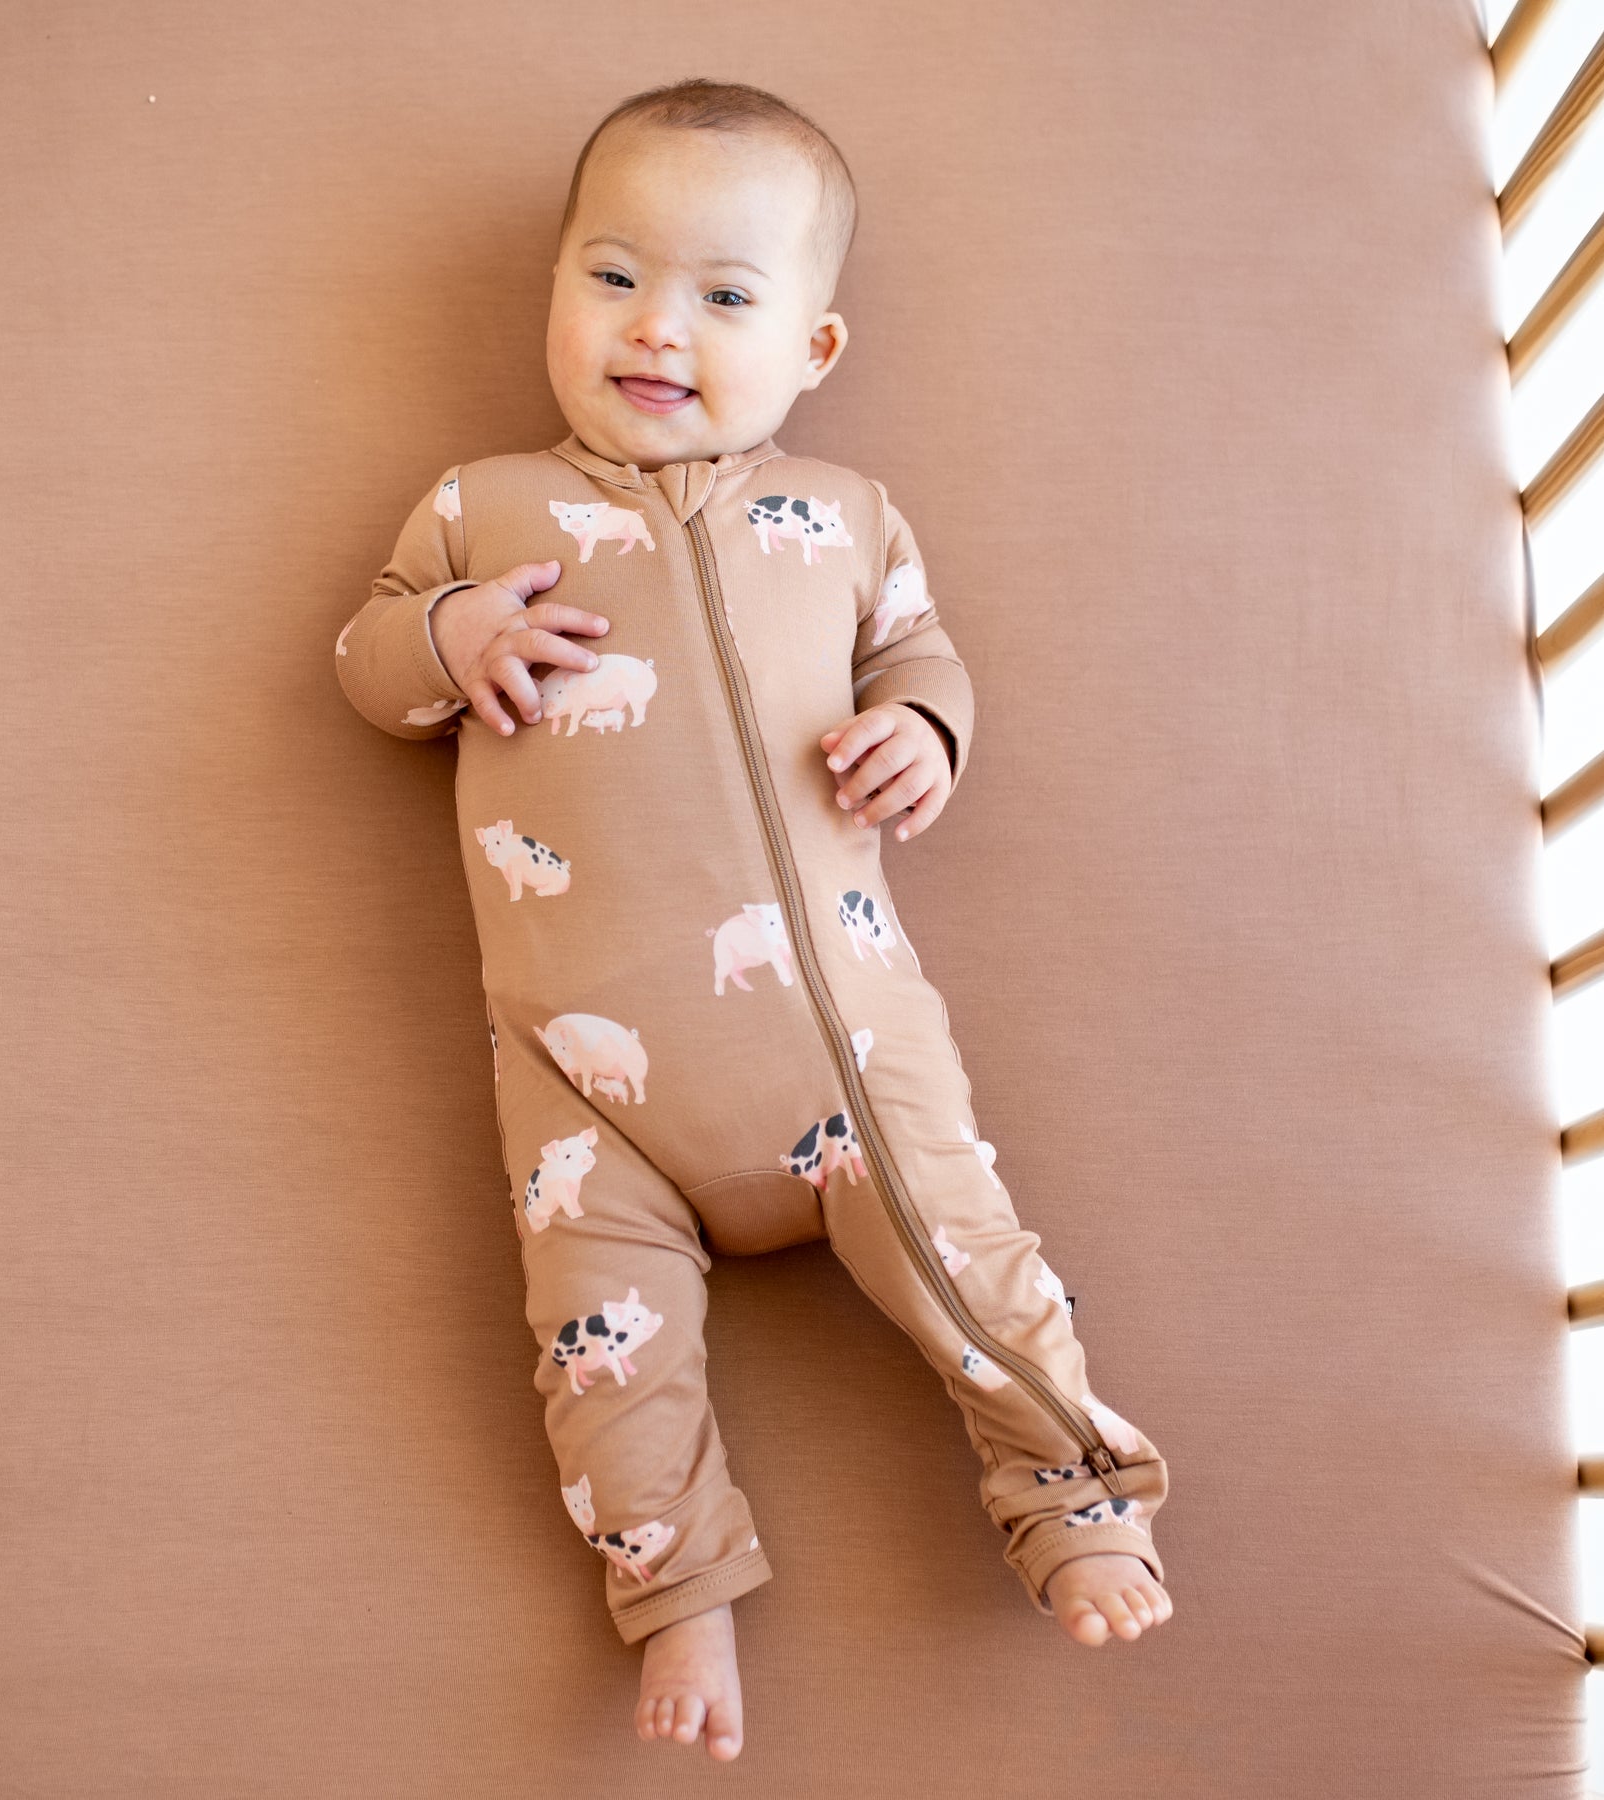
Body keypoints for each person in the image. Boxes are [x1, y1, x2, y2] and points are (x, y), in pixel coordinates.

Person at [335, 77, 1174, 1763]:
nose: (658, 328)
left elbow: (923, 659)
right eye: (614, 275)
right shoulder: (478, 511)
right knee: (597, 1351)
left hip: (841, 1046)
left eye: (726, 298)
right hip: (584, 1085)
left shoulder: (849, 521)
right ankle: (680, 1593)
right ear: (557, 291)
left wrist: (923, 728)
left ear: (814, 350)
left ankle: (1074, 1490)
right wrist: (446, 645)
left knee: (971, 1256)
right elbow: (363, 657)